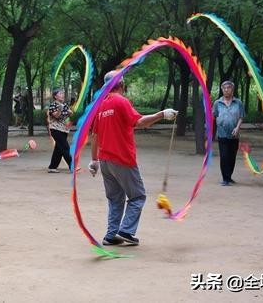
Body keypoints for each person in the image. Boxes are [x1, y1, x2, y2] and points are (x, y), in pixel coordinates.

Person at [89, 70, 177, 246]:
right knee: (138, 196)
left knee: (115, 199)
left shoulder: (101, 105)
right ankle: (126, 231)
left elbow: (95, 135)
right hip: (122, 158)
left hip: (105, 160)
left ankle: (111, 235)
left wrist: (94, 160)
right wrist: (162, 114)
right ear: (122, 84)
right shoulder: (121, 101)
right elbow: (140, 122)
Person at [212, 80, 245, 186]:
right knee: (224, 156)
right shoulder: (217, 103)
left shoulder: (238, 102)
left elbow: (241, 117)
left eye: (228, 88)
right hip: (222, 134)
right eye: (224, 88)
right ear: (222, 89)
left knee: (232, 157)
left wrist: (237, 128)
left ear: (232, 89)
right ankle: (225, 178)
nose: (226, 90)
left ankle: (229, 177)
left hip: (234, 135)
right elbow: (214, 115)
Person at [47, 89, 74, 172]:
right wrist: (60, 109)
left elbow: (68, 114)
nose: (62, 95)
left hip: (64, 130)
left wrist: (70, 112)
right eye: (60, 93)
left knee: (58, 149)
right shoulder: (53, 105)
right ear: (55, 96)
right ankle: (72, 166)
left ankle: (52, 167)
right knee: (65, 148)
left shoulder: (64, 105)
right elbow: (57, 116)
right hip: (56, 129)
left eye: (63, 93)